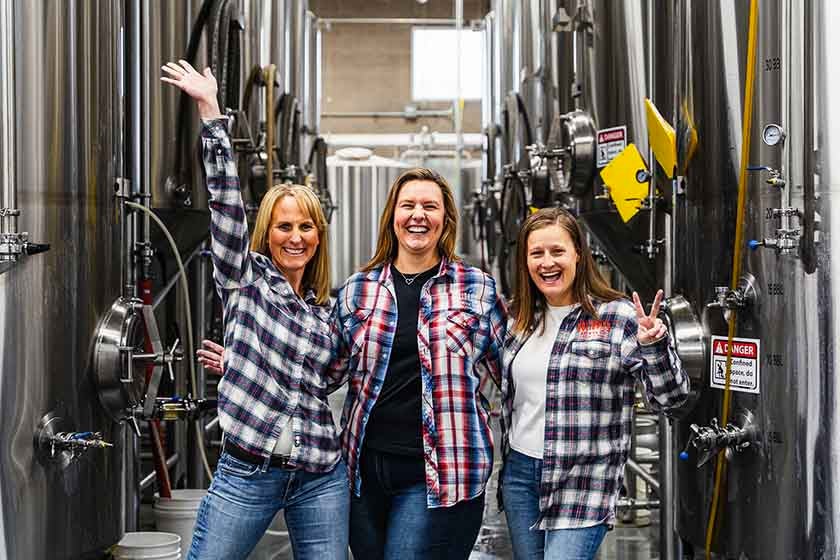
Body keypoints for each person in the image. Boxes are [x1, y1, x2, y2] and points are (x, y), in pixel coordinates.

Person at [161, 60, 349, 560]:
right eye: (284, 226)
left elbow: (327, 377)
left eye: (306, 228)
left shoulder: (326, 310)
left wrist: (243, 363)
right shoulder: (245, 280)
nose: (296, 237)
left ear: (318, 237)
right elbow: (225, 205)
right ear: (267, 232)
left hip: (319, 471)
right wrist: (210, 111)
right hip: (249, 468)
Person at [329, 168, 507, 559]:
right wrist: (249, 362)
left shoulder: (475, 287)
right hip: (363, 474)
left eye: (430, 206)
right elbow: (324, 370)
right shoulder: (358, 288)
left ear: (445, 220)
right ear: (392, 216)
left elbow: (510, 372)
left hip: (441, 474)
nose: (418, 215)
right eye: (408, 205)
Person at [499, 207, 689, 560]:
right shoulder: (518, 320)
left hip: (584, 481)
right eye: (536, 253)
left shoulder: (617, 317)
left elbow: (671, 400)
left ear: (578, 255)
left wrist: (654, 346)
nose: (547, 262)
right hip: (521, 478)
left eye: (557, 251)